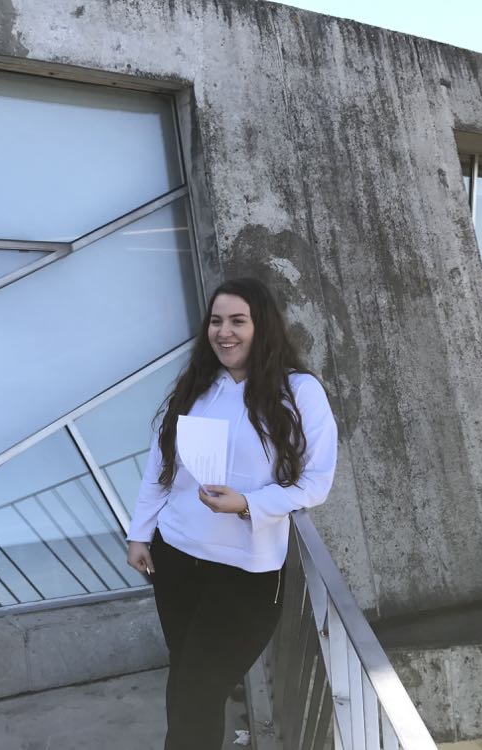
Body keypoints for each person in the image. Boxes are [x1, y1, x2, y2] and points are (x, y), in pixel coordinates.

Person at [126, 277, 338, 750]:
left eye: (238, 321)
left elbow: (315, 482)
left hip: (245, 571)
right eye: (216, 321)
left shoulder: (299, 392)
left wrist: (248, 504)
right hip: (176, 558)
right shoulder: (197, 388)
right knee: (185, 678)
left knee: (200, 688)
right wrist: (139, 533)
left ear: (262, 327)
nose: (224, 332)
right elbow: (161, 466)